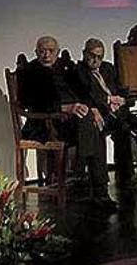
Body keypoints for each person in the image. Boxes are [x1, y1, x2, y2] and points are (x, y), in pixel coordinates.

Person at [18, 36, 117, 210]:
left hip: (69, 123)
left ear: (57, 51)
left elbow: (82, 91)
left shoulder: (66, 68)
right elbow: (28, 102)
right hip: (45, 124)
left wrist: (92, 108)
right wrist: (64, 107)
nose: (46, 55)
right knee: (91, 127)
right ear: (36, 52)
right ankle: (90, 182)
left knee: (95, 124)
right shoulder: (29, 71)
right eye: (42, 51)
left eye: (50, 51)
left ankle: (95, 185)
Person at [70, 38, 137, 188]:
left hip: (117, 111)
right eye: (92, 55)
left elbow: (119, 88)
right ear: (84, 53)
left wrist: (122, 99)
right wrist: (108, 100)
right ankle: (126, 176)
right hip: (99, 115)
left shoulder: (108, 68)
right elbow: (87, 94)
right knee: (123, 129)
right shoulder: (78, 71)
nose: (96, 60)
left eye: (99, 57)